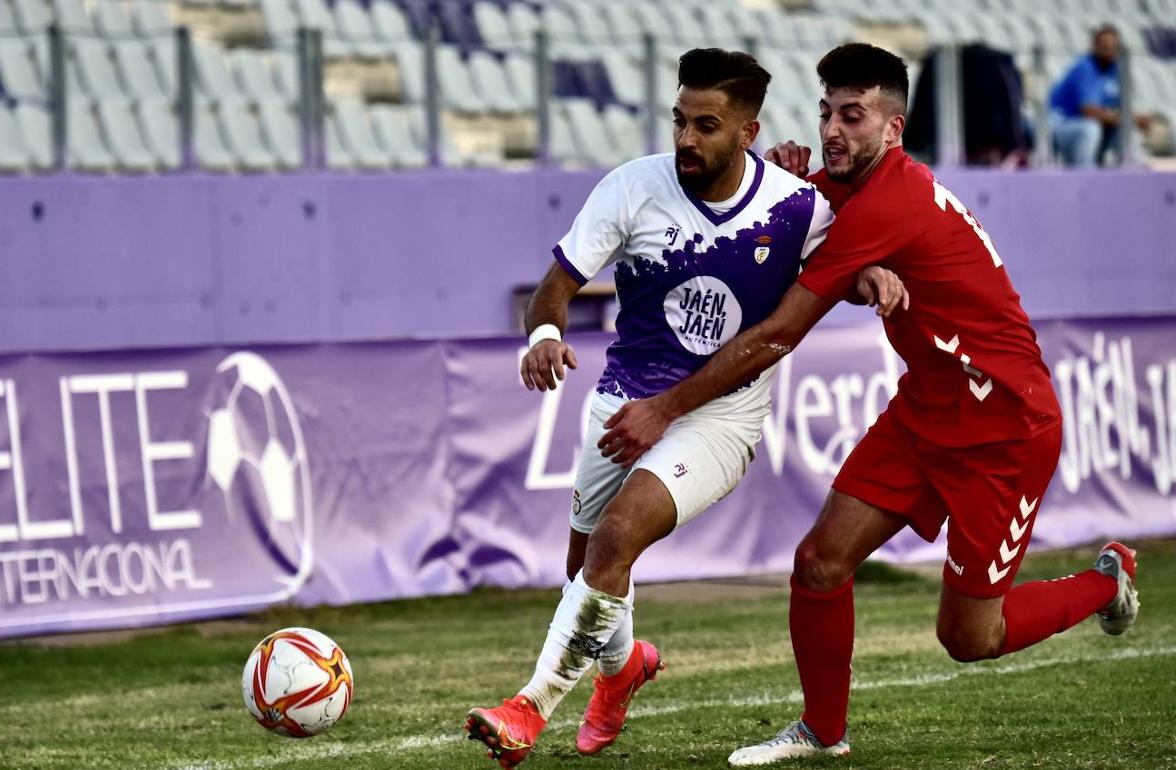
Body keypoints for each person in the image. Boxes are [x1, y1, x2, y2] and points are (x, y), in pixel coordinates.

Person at [598, 43, 1140, 766]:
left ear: (894, 128)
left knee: (969, 639)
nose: (832, 131)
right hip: (926, 409)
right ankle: (823, 732)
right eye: (826, 112)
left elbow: (783, 330)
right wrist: (783, 186)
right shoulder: (851, 183)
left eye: (853, 115)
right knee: (821, 562)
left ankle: (1104, 583)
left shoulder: (892, 197)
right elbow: (788, 213)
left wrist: (664, 409)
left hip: (1006, 427)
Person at [462, 47, 908, 769]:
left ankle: (529, 706)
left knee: (614, 539)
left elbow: (842, 268)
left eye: (707, 125)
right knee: (585, 571)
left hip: (719, 418)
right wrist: (545, 335)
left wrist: (871, 274)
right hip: (622, 402)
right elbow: (556, 287)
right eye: (679, 121)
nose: (686, 140)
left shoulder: (796, 208)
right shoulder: (632, 188)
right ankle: (623, 667)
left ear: (748, 132)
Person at [1050, 24, 1155, 167]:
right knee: (1090, 129)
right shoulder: (1085, 67)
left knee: (1126, 130)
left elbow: (1118, 109)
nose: (1108, 50)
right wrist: (1132, 118)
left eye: (1112, 46)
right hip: (1060, 128)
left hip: (1095, 127)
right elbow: (1089, 112)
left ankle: (1131, 170)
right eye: (1104, 46)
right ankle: (1084, 176)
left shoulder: (1116, 70)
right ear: (1094, 46)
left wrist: (1131, 120)